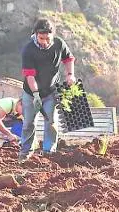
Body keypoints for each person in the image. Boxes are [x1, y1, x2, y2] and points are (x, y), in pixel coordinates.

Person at [19, 18, 76, 162]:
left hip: (51, 91)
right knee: (29, 123)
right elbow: (30, 76)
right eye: (41, 38)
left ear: (52, 34)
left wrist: (70, 75)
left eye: (47, 37)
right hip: (31, 93)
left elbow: (68, 59)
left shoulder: (59, 44)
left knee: (51, 121)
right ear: (36, 35)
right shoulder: (28, 50)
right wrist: (36, 95)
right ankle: (26, 151)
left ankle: (49, 152)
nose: (44, 41)